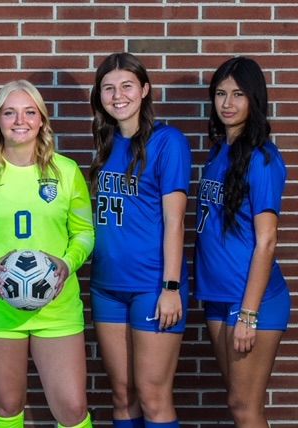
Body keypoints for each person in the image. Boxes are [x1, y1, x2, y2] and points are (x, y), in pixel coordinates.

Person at [0, 80, 95, 428]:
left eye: (29, 112)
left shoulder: (66, 172)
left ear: (42, 119)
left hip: (57, 306)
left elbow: (85, 234)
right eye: (9, 112)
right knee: (8, 406)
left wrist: (67, 263)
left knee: (72, 409)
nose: (19, 120)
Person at [88, 52, 192, 428]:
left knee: (153, 395)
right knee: (122, 394)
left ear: (145, 90)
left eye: (127, 86)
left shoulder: (168, 142)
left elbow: (175, 221)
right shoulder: (104, 143)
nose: (118, 96)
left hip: (152, 285)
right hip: (106, 288)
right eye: (109, 88)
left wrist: (170, 287)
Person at [194, 56, 289, 428]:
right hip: (218, 295)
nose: (227, 103)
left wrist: (249, 314)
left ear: (255, 99)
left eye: (237, 94)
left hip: (251, 301)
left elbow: (267, 241)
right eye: (220, 94)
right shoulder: (219, 152)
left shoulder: (263, 160)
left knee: (244, 406)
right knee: (237, 400)